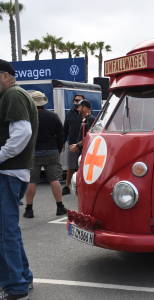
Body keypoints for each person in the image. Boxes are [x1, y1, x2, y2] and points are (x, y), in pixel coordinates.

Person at [0, 59, 37, 299]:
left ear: (4, 75)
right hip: (14, 172)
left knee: (5, 232)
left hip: (9, 173)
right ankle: (22, 277)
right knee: (8, 230)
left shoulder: (12, 95)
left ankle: (15, 286)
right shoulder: (16, 94)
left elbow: (22, 133)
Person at [23, 91, 67, 218]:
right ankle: (60, 207)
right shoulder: (53, 116)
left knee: (32, 181)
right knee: (54, 179)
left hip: (33, 152)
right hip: (51, 151)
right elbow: (61, 134)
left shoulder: (28, 117)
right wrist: (57, 149)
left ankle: (29, 210)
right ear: (43, 102)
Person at [62, 94, 83, 195]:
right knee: (71, 166)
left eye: (79, 100)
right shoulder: (69, 114)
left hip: (84, 145)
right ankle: (67, 186)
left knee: (82, 166)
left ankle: (82, 186)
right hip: (72, 144)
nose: (77, 101)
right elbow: (65, 130)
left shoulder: (86, 114)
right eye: (75, 100)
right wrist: (62, 143)